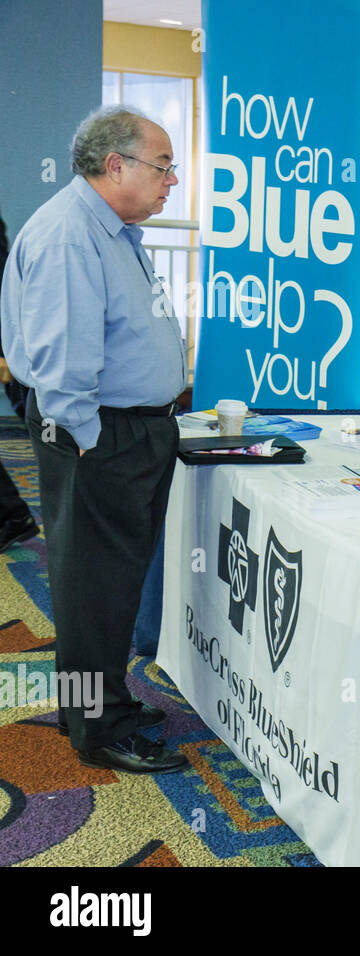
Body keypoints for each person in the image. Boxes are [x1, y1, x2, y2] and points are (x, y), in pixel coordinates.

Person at [0, 105, 187, 774]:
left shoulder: (110, 230)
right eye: (163, 166)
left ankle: (105, 705)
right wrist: (87, 438)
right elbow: (62, 358)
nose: (172, 181)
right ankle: (97, 731)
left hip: (124, 432)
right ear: (116, 166)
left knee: (109, 585)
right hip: (98, 437)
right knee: (90, 590)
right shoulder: (70, 235)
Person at [0, 208, 39, 553]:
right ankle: (13, 515)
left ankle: (14, 515)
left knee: (43, 424)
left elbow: (2, 289)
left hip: (9, 348)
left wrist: (5, 353)